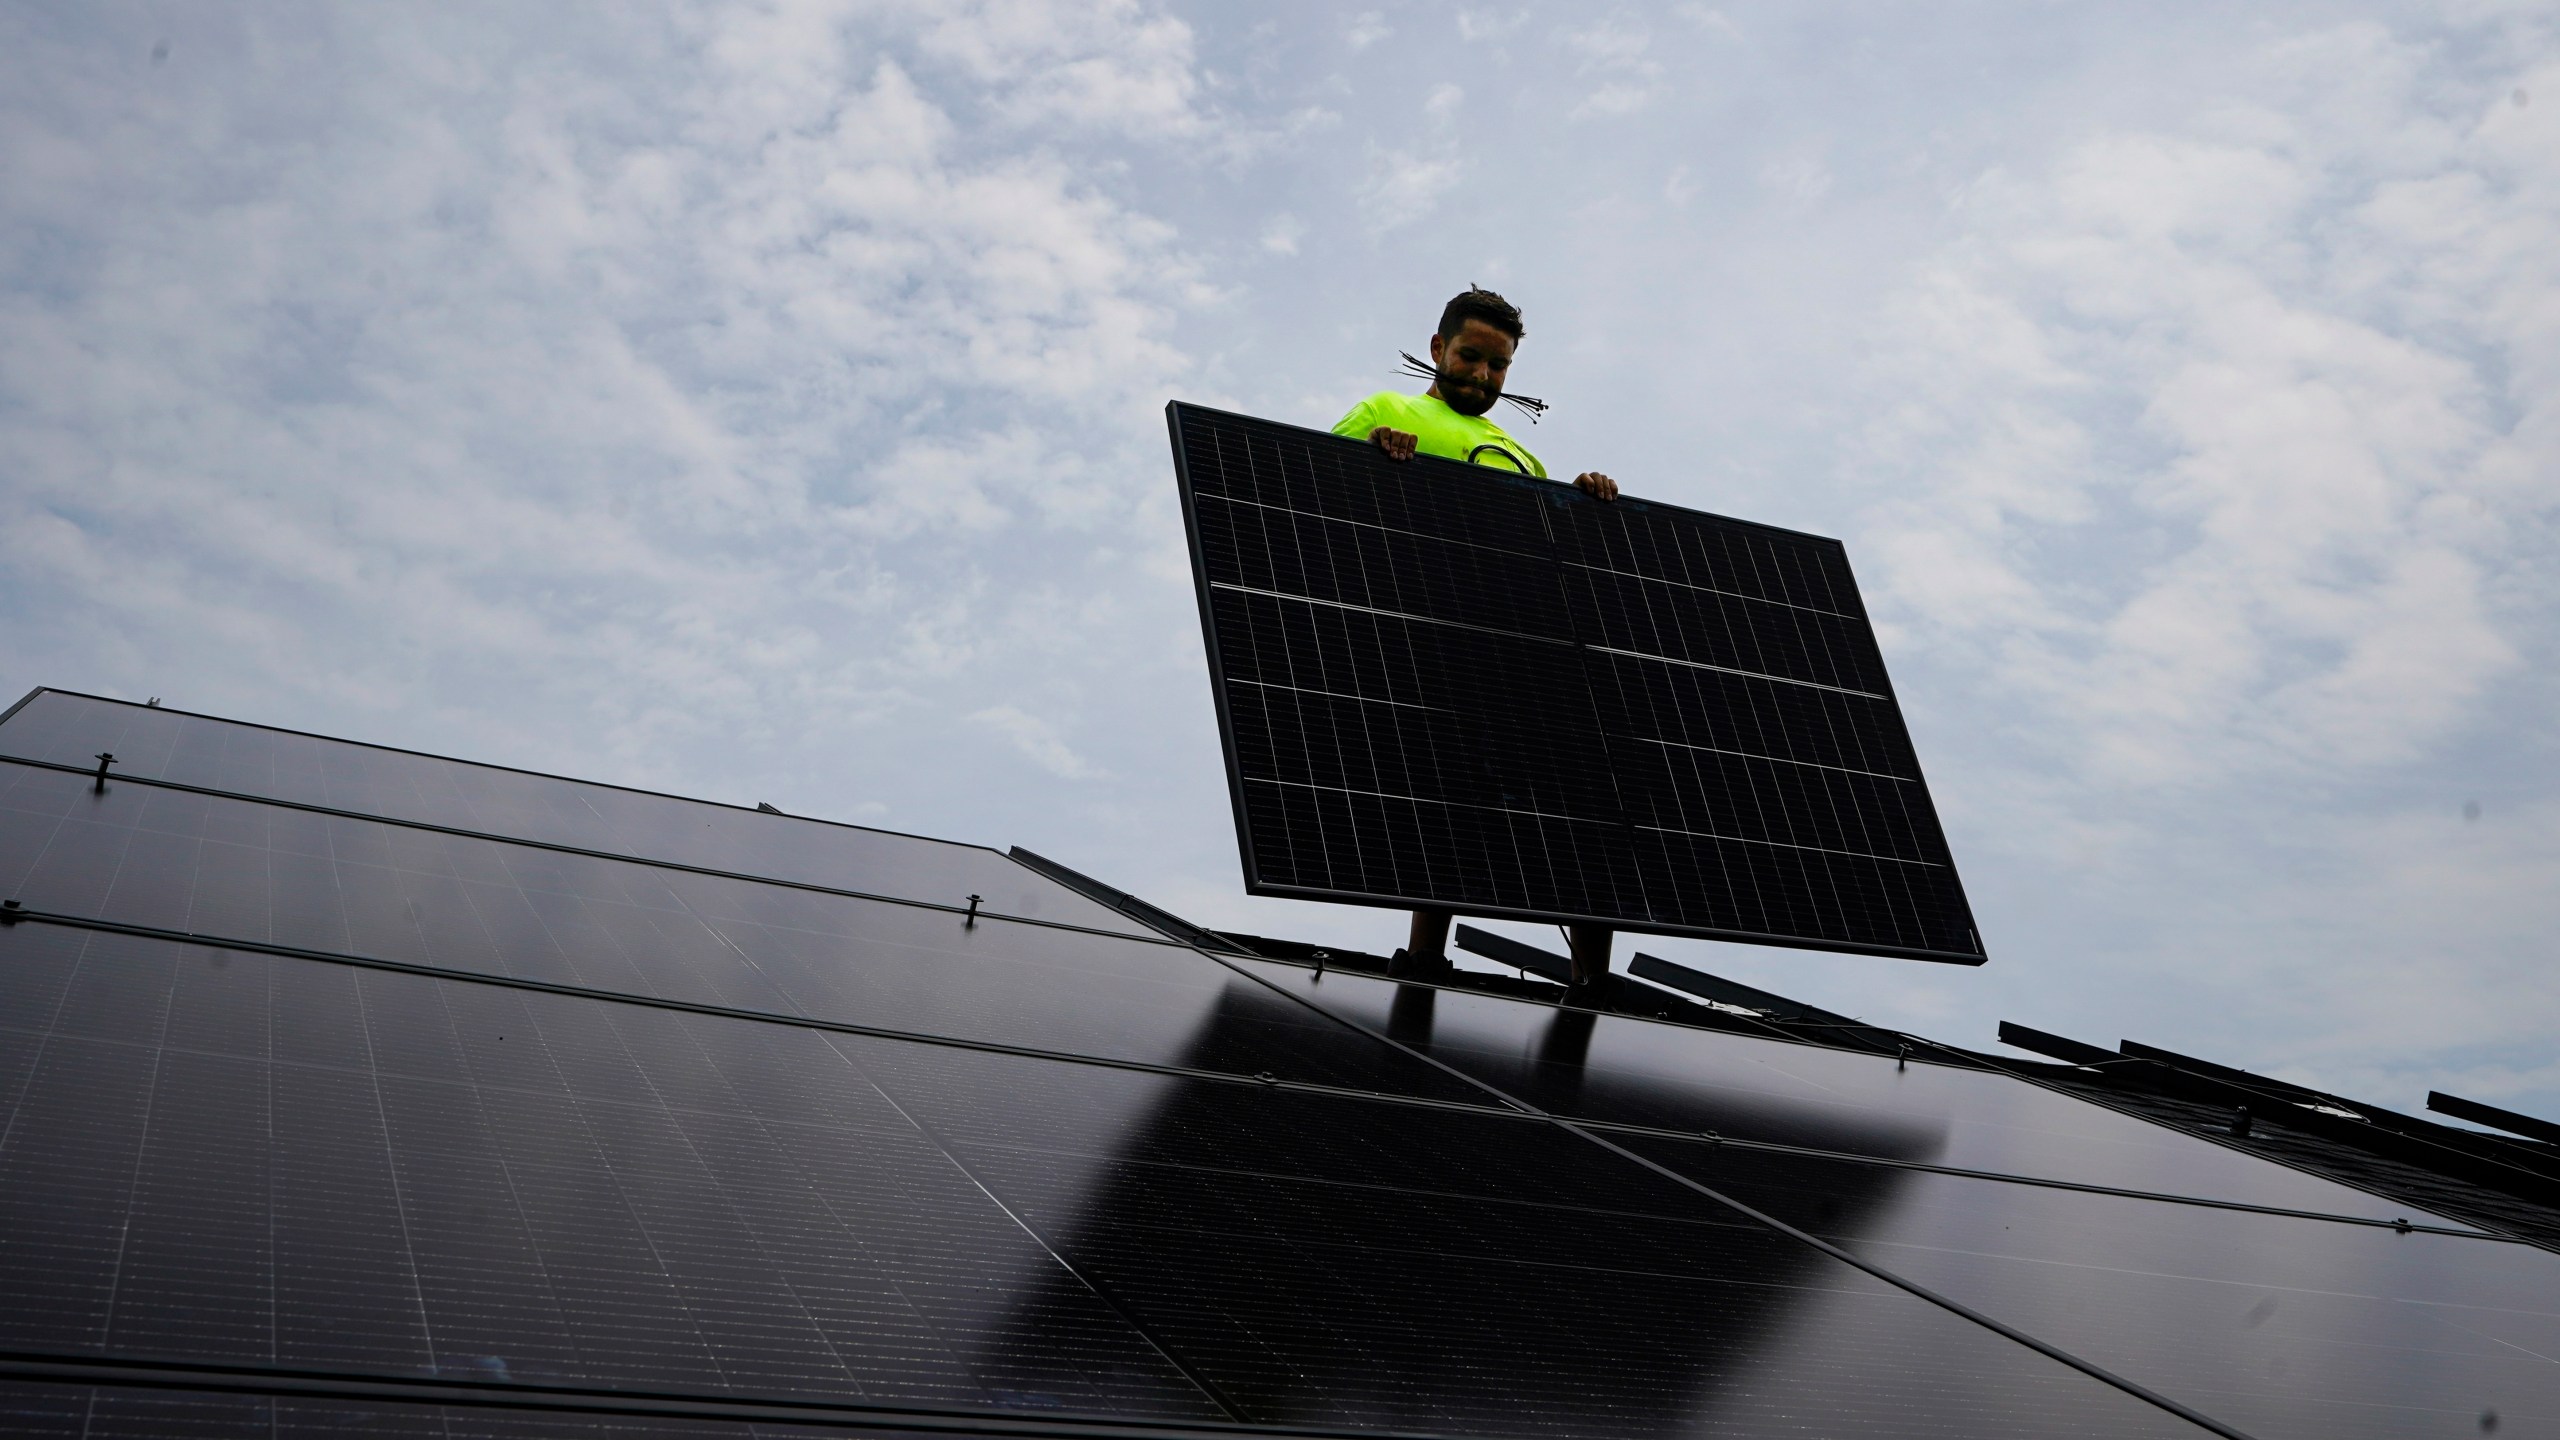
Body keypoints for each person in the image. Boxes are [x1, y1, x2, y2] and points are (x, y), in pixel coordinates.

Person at [1332, 286, 1619, 500]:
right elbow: (1317, 489)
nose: (1482, 374)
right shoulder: (1383, 410)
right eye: (1469, 355)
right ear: (1437, 348)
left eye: (1497, 365)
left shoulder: (1525, 460)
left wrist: (1582, 506)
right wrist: (1368, 457)